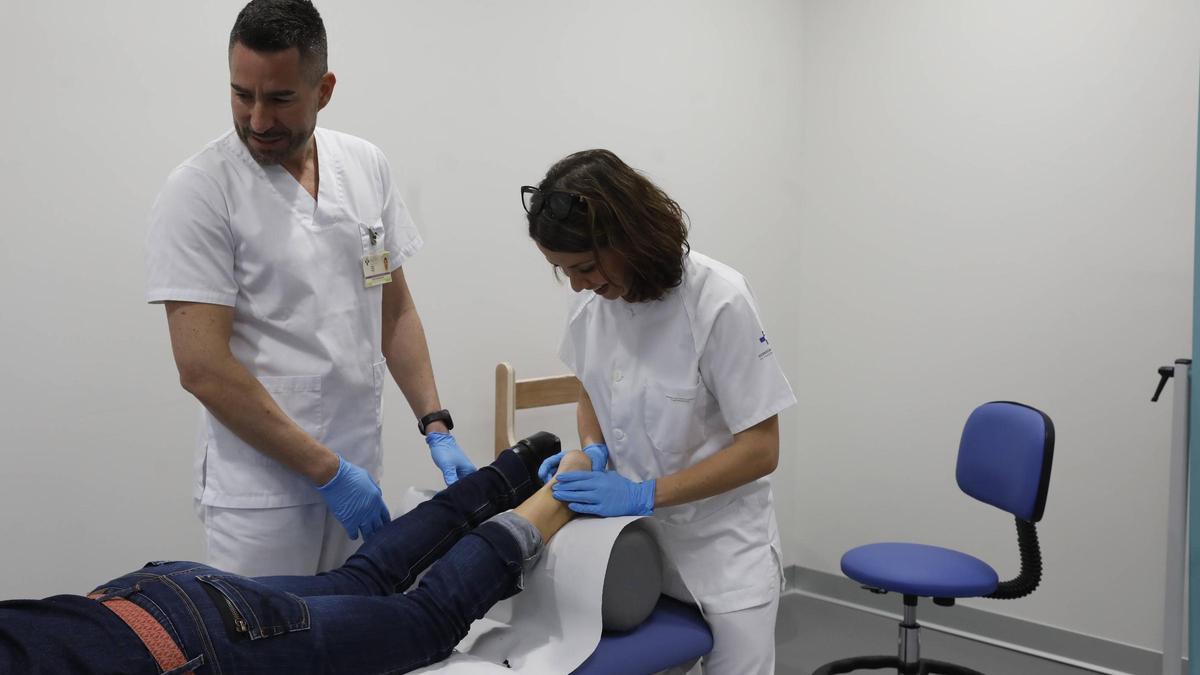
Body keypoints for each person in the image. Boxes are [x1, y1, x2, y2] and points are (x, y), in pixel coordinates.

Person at [145, 0, 476, 578]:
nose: (257, 120)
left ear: (323, 89)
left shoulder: (365, 165)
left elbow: (392, 310)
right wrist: (327, 471)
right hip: (262, 494)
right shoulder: (200, 191)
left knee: (360, 642)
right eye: (241, 95)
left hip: (358, 470)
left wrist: (435, 423)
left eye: (279, 99)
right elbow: (202, 368)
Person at [524, 149, 797, 674]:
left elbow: (762, 450)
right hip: (635, 554)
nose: (577, 284)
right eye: (562, 272)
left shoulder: (719, 301)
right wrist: (594, 451)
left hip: (722, 556)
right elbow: (591, 388)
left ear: (629, 236)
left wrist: (645, 493)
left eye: (583, 267)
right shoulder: (589, 301)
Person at [0, 435, 583, 674]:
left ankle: (557, 490)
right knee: (363, 578)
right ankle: (517, 465)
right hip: (144, 598)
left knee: (428, 619)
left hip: (191, 644)